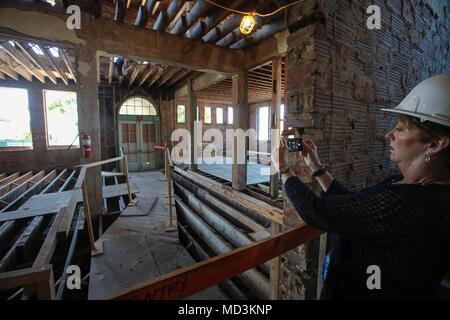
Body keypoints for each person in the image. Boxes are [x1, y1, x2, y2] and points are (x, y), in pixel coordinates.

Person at [276, 73, 450, 299]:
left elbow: (316, 211)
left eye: (400, 129)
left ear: (435, 144)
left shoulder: (413, 203)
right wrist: (317, 168)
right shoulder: (418, 189)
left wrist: (282, 168)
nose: (389, 134)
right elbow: (356, 210)